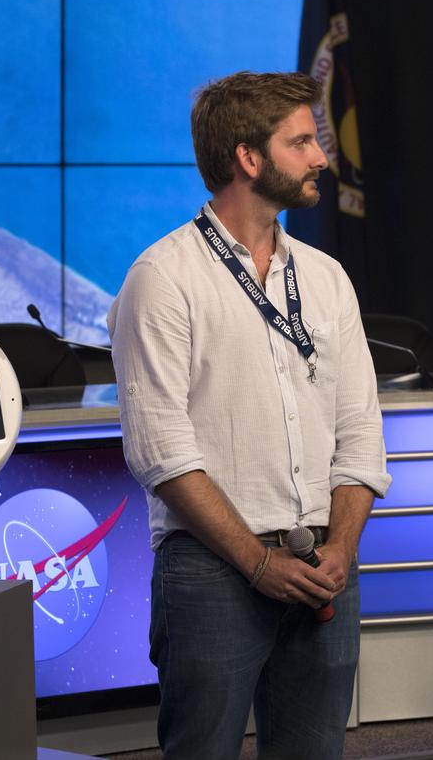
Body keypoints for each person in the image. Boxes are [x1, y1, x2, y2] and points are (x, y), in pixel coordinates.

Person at [108, 71, 390, 760]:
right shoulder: (163, 276)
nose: (321, 156)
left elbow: (360, 434)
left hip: (326, 565)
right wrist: (258, 563)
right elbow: (161, 451)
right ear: (248, 157)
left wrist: (340, 551)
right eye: (301, 142)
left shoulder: (325, 276)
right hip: (212, 573)